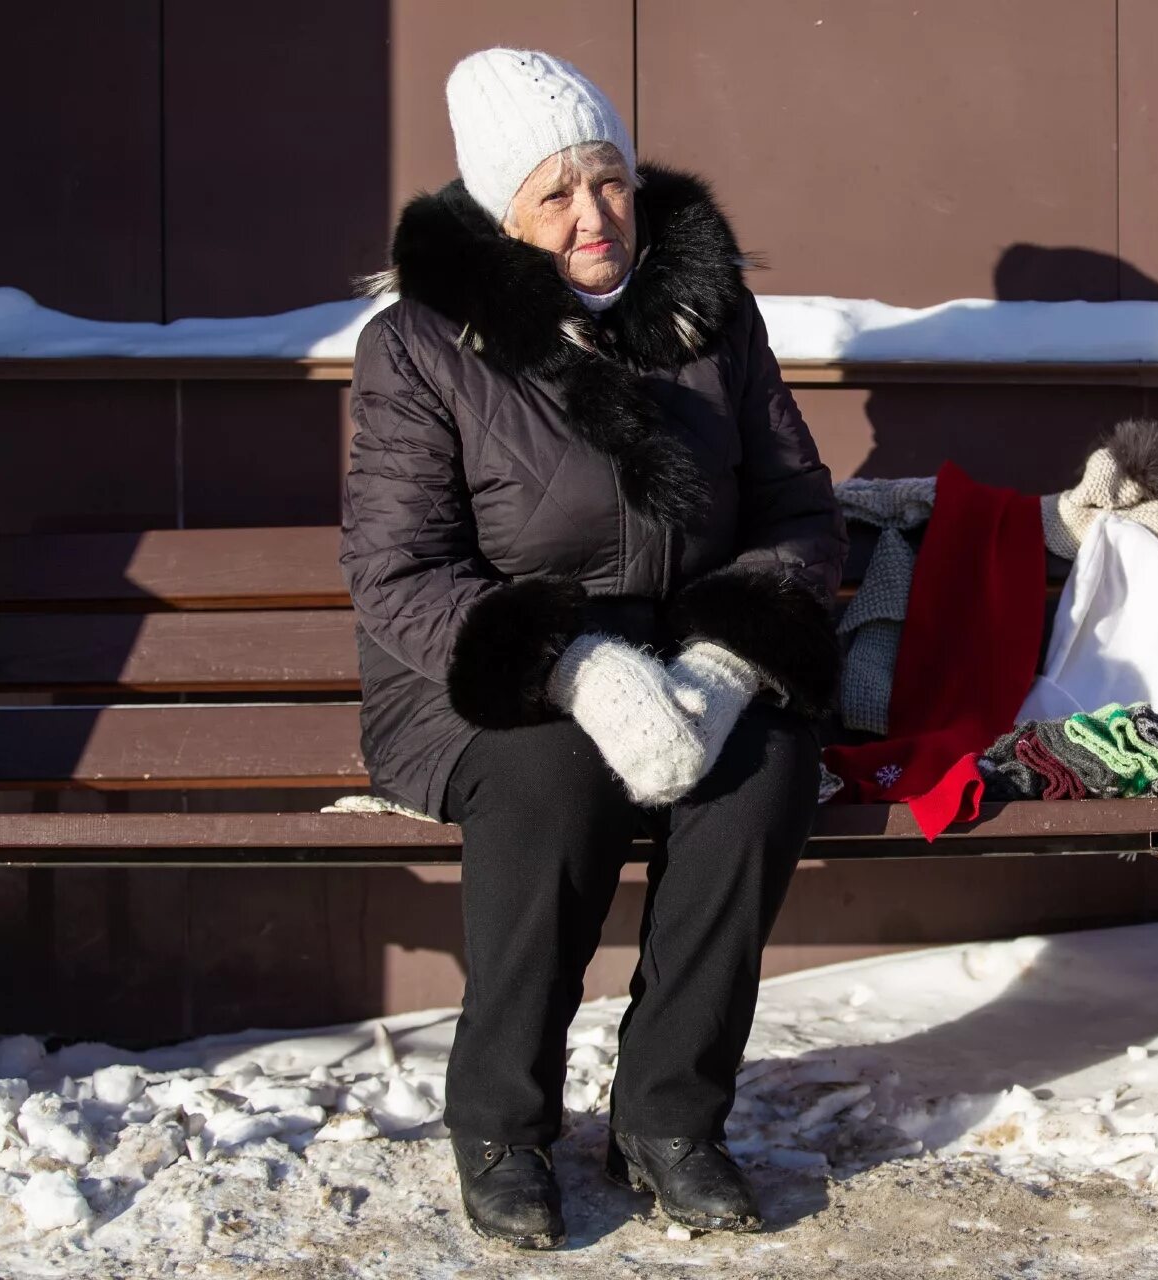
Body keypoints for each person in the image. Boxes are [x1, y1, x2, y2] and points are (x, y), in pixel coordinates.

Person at [340, 47, 847, 1247]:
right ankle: (504, 1121)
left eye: (609, 180)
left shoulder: (709, 310)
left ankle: (672, 1115)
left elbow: (798, 510)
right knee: (553, 775)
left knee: (759, 771)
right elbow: (397, 571)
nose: (594, 216)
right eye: (554, 194)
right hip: (478, 671)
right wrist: (572, 666)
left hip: (691, 656)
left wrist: (729, 659)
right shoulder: (420, 345)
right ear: (501, 213)